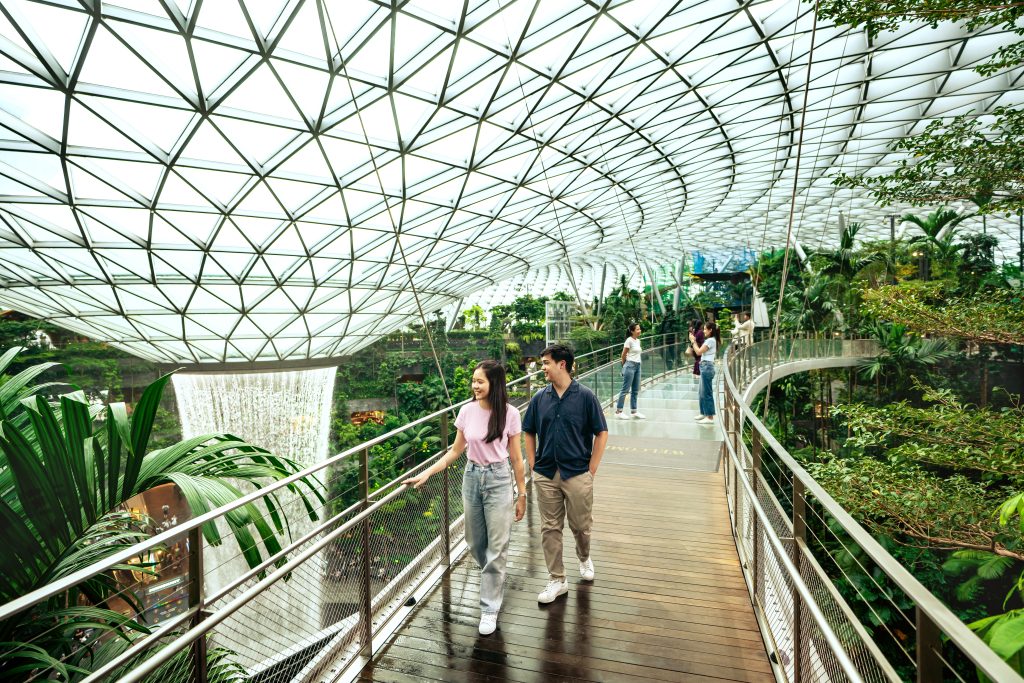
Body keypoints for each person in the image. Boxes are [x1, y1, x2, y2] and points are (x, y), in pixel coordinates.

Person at [405, 360, 527, 635]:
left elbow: (517, 458)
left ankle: (489, 608)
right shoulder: (466, 411)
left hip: (498, 479)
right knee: (474, 542)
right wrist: (427, 473)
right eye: (474, 381)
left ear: (494, 383)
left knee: (497, 546)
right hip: (471, 478)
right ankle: (495, 577)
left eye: (480, 381)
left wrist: (522, 493)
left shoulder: (510, 414)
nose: (475, 386)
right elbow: (455, 451)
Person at [523, 344, 609, 604]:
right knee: (550, 528)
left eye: (546, 363)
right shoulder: (540, 398)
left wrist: (592, 469)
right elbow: (528, 431)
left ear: (562, 364)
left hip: (577, 472)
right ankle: (557, 578)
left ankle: (584, 557)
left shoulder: (585, 397)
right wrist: (532, 463)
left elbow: (601, 432)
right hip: (546, 473)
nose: (543, 368)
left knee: (581, 526)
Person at [690, 321, 721, 425]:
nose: (703, 331)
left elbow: (698, 352)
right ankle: (703, 413)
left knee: (706, 392)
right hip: (705, 366)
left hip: (707, 366)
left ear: (710, 330)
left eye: (705, 329)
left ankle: (710, 417)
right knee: (701, 392)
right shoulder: (710, 340)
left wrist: (693, 341)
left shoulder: (711, 340)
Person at [615, 322, 646, 420]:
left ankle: (634, 411)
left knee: (635, 390)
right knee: (625, 390)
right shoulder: (629, 340)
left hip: (638, 366)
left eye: (639, 329)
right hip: (630, 365)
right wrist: (624, 366)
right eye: (637, 329)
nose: (639, 331)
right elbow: (623, 355)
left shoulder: (638, 341)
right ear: (632, 331)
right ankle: (619, 411)